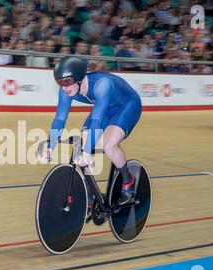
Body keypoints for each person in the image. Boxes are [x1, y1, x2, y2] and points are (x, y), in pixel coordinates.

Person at [39, 56, 142, 206]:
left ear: (80, 78)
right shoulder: (66, 91)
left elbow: (97, 120)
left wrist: (87, 152)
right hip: (106, 108)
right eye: (60, 83)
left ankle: (128, 180)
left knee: (108, 145)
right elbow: (60, 119)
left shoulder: (102, 84)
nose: (64, 87)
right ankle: (89, 193)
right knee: (83, 148)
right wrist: (50, 148)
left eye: (67, 82)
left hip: (127, 105)